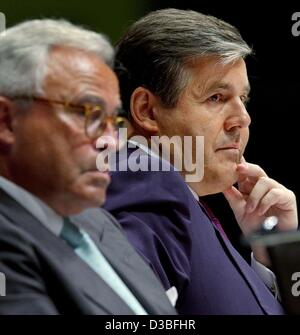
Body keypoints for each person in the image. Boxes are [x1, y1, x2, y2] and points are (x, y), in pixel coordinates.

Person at [104, 8, 298, 314]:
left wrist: (275, 247)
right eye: (216, 98)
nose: (242, 119)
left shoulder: (183, 199)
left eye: (242, 99)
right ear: (147, 110)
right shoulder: (145, 191)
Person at [0, 19, 176, 315]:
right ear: (6, 121)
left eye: (113, 121)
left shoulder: (97, 222)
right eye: (89, 114)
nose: (113, 142)